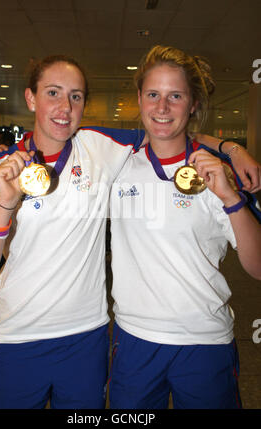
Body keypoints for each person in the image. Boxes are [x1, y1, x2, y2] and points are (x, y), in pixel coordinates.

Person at [0, 53, 260, 410]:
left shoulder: (101, 148)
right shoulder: (2, 169)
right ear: (30, 98)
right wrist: (5, 206)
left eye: (76, 95)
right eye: (52, 92)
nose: (65, 106)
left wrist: (232, 149)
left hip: (98, 338)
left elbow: (168, 128)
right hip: (28, 335)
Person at [108, 45, 261, 409]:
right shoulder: (117, 164)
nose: (162, 108)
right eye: (153, 95)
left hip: (204, 342)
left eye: (175, 96)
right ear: (140, 100)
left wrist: (230, 196)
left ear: (193, 104)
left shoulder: (218, 173)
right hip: (134, 340)